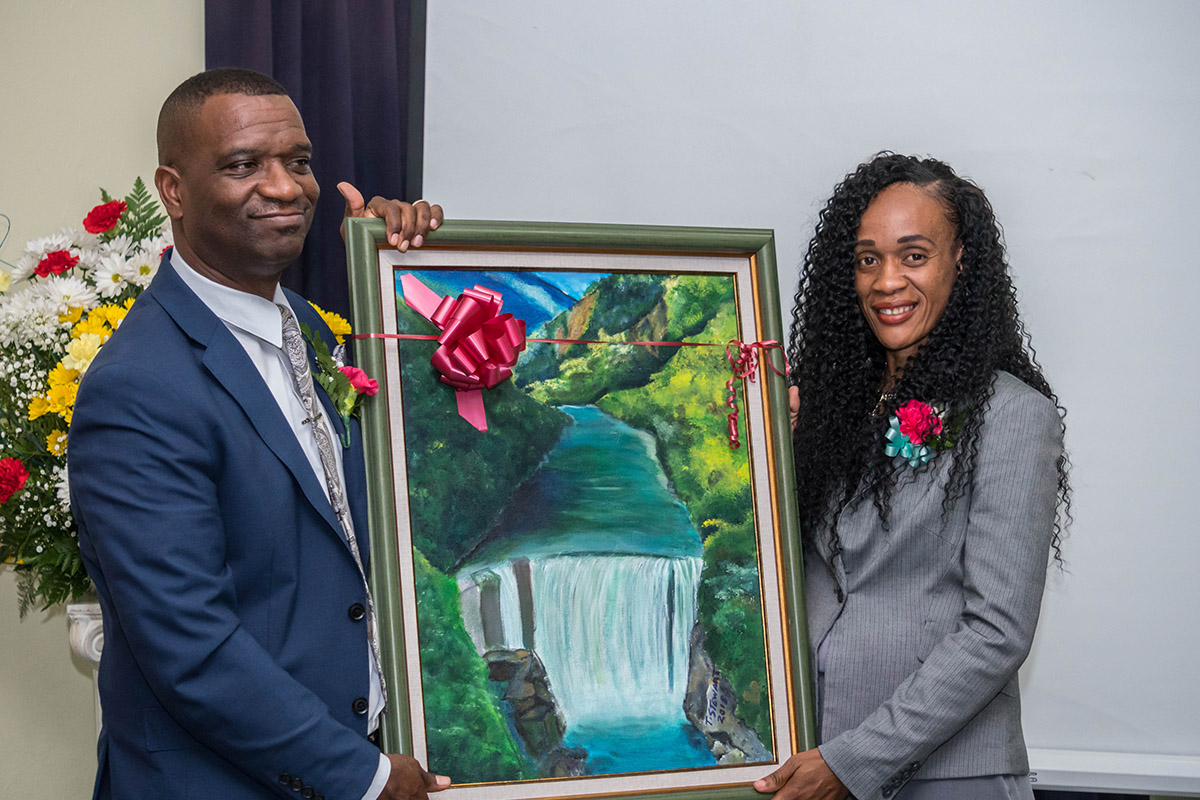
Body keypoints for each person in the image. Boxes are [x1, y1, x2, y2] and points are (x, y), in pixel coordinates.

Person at [69, 68, 448, 800]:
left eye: (298, 161)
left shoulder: (307, 325)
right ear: (173, 190)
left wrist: (403, 269)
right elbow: (192, 647)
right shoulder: (137, 387)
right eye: (243, 165)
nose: (284, 187)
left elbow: (376, 510)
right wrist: (366, 778)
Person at [755, 153, 1069, 800]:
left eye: (914, 255)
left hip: (948, 775)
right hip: (814, 757)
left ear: (961, 261)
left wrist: (852, 762)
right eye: (867, 259)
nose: (887, 281)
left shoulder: (1012, 415)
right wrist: (769, 457)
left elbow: (996, 632)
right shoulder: (824, 413)